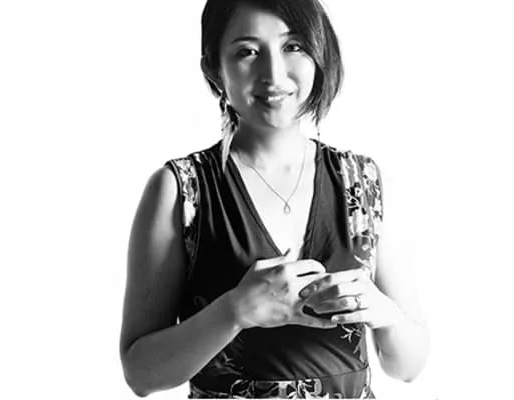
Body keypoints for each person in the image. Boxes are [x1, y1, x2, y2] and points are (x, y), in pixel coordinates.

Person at [120, 0, 430, 398]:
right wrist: (234, 311)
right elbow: (140, 375)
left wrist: (383, 312)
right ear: (213, 69)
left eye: (293, 46)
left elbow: (407, 367)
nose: (274, 73)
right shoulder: (181, 189)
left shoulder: (363, 182)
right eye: (247, 52)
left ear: (320, 53)